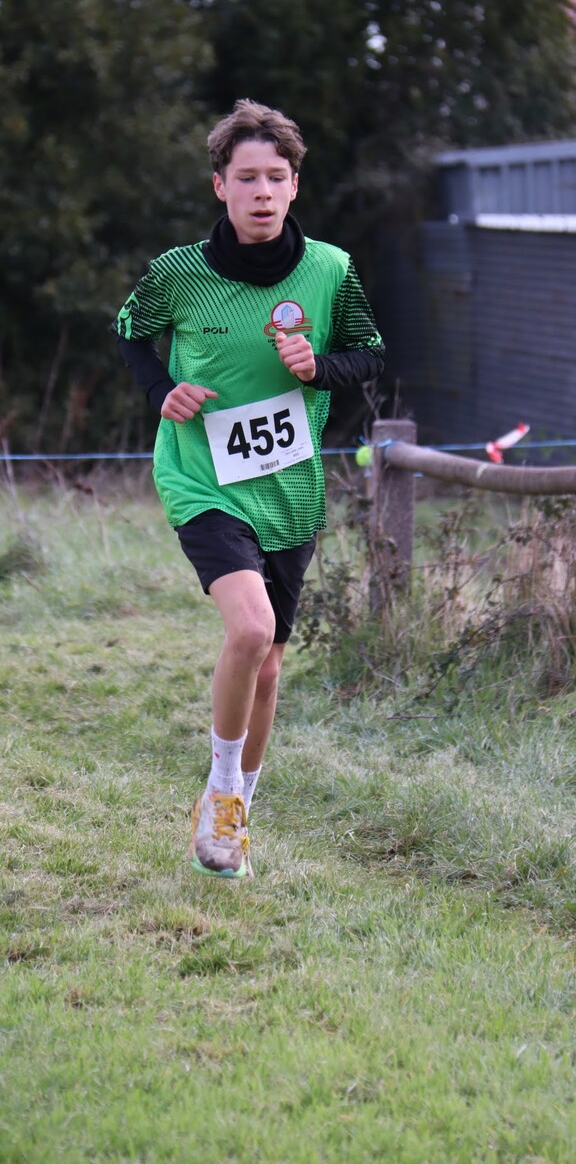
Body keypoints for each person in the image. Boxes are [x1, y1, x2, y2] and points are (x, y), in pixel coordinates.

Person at [114, 99, 385, 879]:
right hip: (202, 477)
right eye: (246, 177)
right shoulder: (179, 273)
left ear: (295, 185)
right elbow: (129, 330)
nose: (261, 191)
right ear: (219, 186)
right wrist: (162, 389)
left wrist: (319, 368)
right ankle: (222, 790)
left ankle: (234, 816)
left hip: (290, 490)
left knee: (268, 665)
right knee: (250, 630)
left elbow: (371, 352)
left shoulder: (330, 270)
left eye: (275, 176)